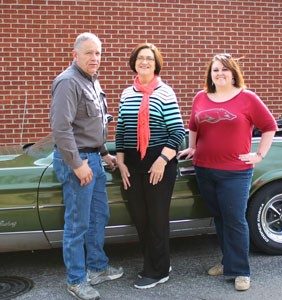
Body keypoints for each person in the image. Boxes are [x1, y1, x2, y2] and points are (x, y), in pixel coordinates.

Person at [178, 53, 277, 291]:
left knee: (235, 220)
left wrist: (259, 155)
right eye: (215, 70)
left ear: (233, 73)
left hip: (235, 172)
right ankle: (227, 262)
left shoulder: (247, 98)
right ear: (210, 74)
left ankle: (241, 271)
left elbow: (269, 126)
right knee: (220, 218)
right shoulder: (201, 97)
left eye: (224, 69)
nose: (219, 74)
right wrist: (192, 147)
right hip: (204, 169)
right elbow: (193, 125)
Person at [50, 32, 123, 300]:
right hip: (77, 161)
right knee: (78, 223)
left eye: (98, 53)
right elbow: (61, 128)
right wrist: (78, 164)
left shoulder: (91, 81)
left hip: (94, 158)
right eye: (89, 53)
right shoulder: (68, 82)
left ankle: (96, 267)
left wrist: (104, 154)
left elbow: (92, 126)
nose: (95, 58)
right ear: (76, 55)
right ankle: (76, 280)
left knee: (98, 217)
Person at [115, 43, 185, 289]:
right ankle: (158, 261)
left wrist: (162, 161)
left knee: (157, 218)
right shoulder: (127, 93)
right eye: (141, 58)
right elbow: (122, 129)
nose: (145, 62)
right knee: (140, 217)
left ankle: (157, 271)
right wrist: (121, 162)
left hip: (160, 162)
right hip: (132, 163)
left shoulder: (165, 92)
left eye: (150, 59)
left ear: (156, 65)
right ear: (134, 62)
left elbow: (178, 133)